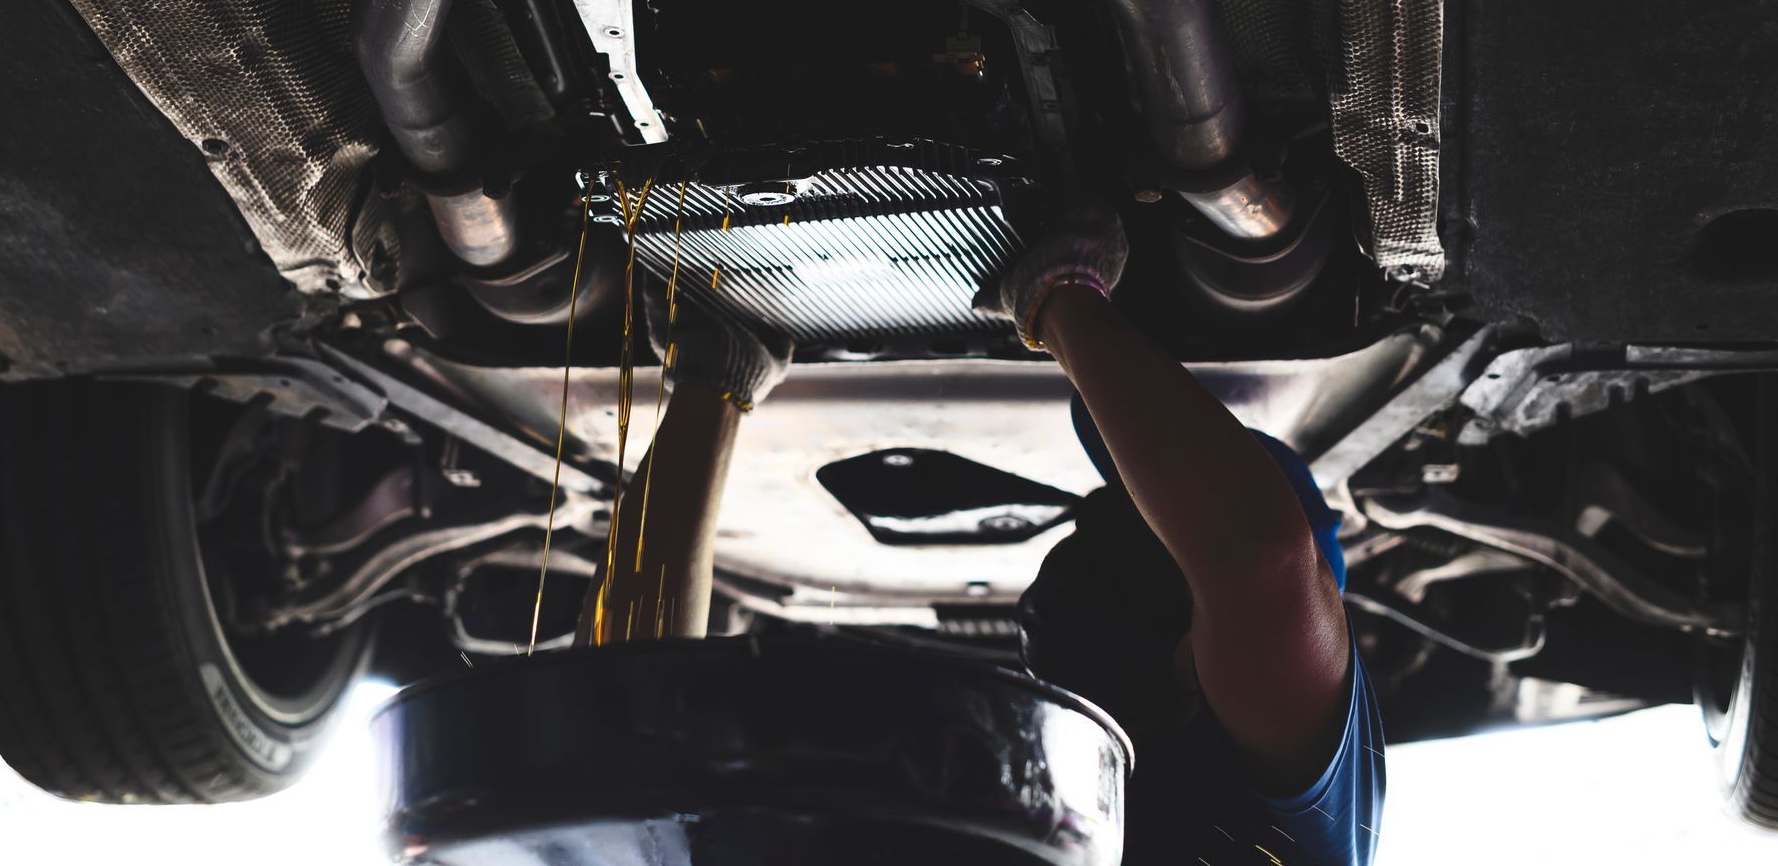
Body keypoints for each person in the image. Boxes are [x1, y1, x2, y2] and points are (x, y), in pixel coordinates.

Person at [581, 204, 1384, 865]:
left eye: (1122, 519)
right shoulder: (1291, 821)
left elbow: (1262, 560)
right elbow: (1259, 565)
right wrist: (1059, 298)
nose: (1080, 535)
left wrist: (1062, 295)